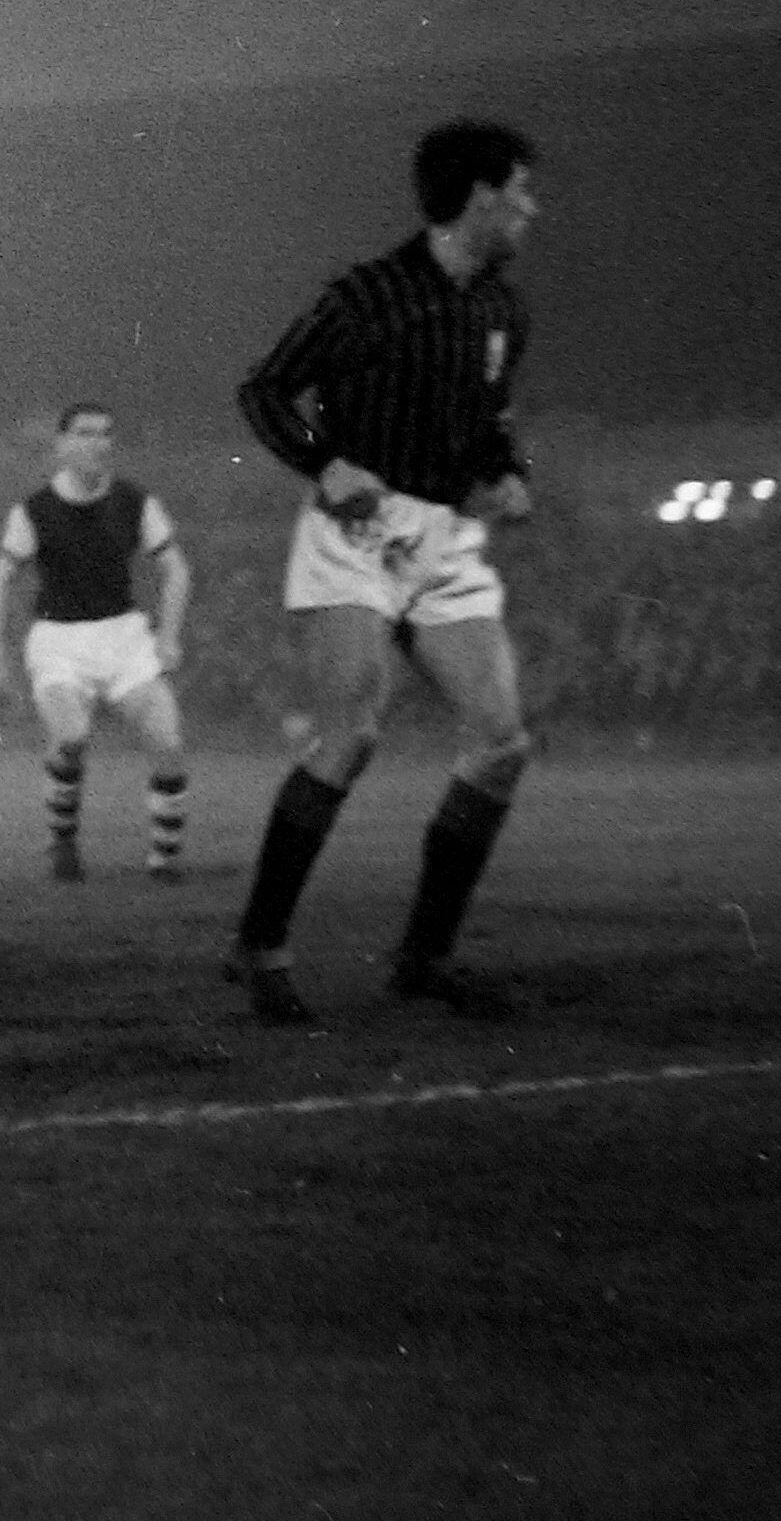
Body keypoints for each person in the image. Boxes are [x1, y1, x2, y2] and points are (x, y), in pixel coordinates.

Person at [224, 120, 545, 1025]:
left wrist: (511, 474)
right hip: (356, 532)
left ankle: (425, 959)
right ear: (480, 195)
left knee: (501, 740)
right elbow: (263, 390)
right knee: (353, 733)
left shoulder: (502, 311)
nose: (531, 207)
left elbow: (491, 421)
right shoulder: (366, 295)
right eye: (521, 189)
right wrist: (325, 464)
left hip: (444, 536)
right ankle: (260, 944)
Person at [0, 404, 194, 882]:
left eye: (105, 434)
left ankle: (164, 864)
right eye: (85, 433)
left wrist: (169, 635)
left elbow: (176, 569)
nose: (99, 442)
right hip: (59, 640)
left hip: (124, 636)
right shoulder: (34, 510)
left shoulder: (136, 502)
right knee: (71, 737)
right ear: (61, 446)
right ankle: (62, 841)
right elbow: (0, 579)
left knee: (168, 742)